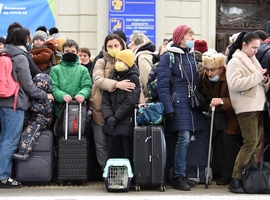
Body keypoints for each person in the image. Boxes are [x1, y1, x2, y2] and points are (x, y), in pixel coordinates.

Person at [0, 28, 54, 188]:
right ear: (24, 39)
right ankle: (3, 176)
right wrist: (45, 95)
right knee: (10, 140)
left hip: (3, 101)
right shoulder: (20, 57)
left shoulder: (5, 53)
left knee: (4, 138)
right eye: (29, 37)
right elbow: (28, 86)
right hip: (15, 104)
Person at [157, 24, 204, 191]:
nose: (193, 38)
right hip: (177, 103)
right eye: (189, 35)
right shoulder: (168, 57)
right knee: (183, 137)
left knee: (186, 138)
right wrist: (168, 108)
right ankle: (177, 176)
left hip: (190, 104)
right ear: (180, 38)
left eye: (193, 35)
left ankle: (181, 173)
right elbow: (162, 86)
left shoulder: (191, 56)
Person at [89, 33, 144, 171]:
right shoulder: (101, 61)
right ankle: (106, 171)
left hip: (122, 113)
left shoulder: (129, 61)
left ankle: (123, 173)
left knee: (122, 144)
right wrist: (117, 84)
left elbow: (138, 85)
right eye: (109, 46)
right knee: (101, 142)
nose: (113, 49)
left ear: (122, 45)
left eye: (116, 45)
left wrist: (141, 101)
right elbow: (98, 80)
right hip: (102, 108)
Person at [226, 31, 270, 193]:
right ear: (244, 45)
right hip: (246, 107)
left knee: (256, 144)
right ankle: (235, 178)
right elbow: (235, 84)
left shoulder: (252, 59)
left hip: (258, 105)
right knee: (250, 143)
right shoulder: (235, 62)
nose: (256, 51)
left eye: (258, 47)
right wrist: (258, 77)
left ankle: (249, 177)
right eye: (254, 47)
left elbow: (259, 82)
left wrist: (265, 80)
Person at [198, 52, 242, 186]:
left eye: (212, 70)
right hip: (217, 115)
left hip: (231, 115)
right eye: (207, 69)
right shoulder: (203, 77)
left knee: (228, 144)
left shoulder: (230, 78)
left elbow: (237, 100)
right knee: (218, 145)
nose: (209, 73)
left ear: (221, 69)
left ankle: (230, 174)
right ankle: (221, 173)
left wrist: (222, 101)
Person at [102, 49, 141, 161]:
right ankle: (113, 177)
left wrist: (116, 117)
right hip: (111, 124)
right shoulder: (112, 77)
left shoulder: (133, 78)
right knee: (112, 153)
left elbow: (130, 101)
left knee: (126, 153)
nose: (117, 62)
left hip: (125, 123)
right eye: (117, 60)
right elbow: (105, 100)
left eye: (121, 60)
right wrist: (108, 116)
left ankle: (126, 177)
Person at [12, 73, 54, 160]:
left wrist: (29, 106)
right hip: (32, 119)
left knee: (31, 130)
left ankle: (24, 152)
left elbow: (45, 110)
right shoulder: (33, 95)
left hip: (42, 121)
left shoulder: (48, 97)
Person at [49, 39, 92, 119]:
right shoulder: (55, 69)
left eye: (73, 51)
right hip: (60, 110)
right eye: (67, 51)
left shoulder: (83, 70)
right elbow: (53, 88)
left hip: (77, 110)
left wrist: (82, 94)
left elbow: (87, 87)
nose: (70, 53)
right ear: (62, 51)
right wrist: (62, 96)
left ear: (77, 52)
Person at [128, 30, 157, 102]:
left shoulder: (142, 57)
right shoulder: (148, 54)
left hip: (146, 100)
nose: (128, 46)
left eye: (130, 42)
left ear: (136, 42)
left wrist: (146, 99)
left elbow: (146, 80)